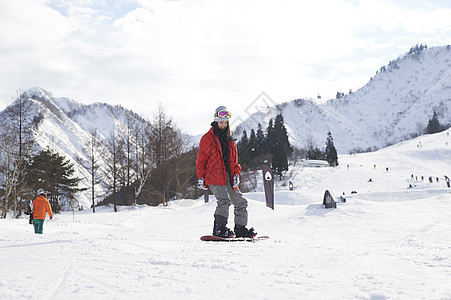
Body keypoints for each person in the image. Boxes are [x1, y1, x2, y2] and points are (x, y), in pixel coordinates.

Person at [196, 106, 256, 238]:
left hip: (228, 176)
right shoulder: (207, 138)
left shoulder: (230, 140)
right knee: (224, 201)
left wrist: (236, 174)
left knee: (240, 202)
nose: (223, 125)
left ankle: (240, 229)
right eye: (221, 122)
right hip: (214, 177)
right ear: (216, 122)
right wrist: (201, 177)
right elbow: (201, 160)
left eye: (225, 122)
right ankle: (219, 229)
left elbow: (234, 162)